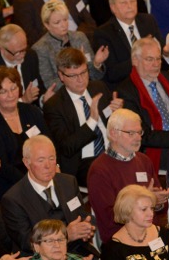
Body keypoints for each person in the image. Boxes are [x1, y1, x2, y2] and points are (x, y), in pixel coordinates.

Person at [1, 134, 94, 255]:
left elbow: (80, 214)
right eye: (41, 160)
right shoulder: (13, 199)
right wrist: (65, 236)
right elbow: (27, 242)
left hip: (77, 249)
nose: (48, 166)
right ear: (26, 163)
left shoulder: (69, 182)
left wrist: (86, 229)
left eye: (51, 158)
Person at [87, 108, 169, 243]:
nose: (138, 137)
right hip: (122, 240)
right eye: (131, 133)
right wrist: (143, 201)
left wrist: (158, 202)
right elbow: (109, 218)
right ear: (113, 134)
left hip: (151, 235)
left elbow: (162, 209)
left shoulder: (144, 161)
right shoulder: (100, 169)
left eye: (139, 132)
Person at [41, 48, 118, 185]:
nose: (81, 79)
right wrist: (92, 120)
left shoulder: (99, 87)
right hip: (83, 162)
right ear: (61, 76)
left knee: (138, 162)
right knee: (113, 174)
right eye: (73, 75)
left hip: (113, 151)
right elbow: (67, 147)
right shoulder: (54, 106)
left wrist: (118, 113)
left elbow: (113, 122)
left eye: (83, 72)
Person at [0, 66, 48, 200]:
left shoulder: (32, 112)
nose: (10, 95)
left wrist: (53, 168)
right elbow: (4, 168)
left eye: (13, 88)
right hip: (12, 185)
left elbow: (49, 142)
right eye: (3, 91)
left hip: (42, 173)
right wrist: (33, 181)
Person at [116, 37, 169, 168]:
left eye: (158, 58)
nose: (156, 64)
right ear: (135, 60)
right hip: (161, 147)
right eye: (149, 59)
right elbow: (143, 134)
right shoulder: (127, 91)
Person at [93, 0, 169, 86]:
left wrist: (166, 54)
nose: (130, 6)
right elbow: (112, 73)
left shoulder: (148, 21)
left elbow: (165, 66)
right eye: (124, 3)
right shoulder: (104, 33)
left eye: (132, 1)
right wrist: (138, 58)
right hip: (128, 87)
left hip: (155, 81)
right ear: (113, 7)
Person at [32, 0, 107, 92]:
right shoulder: (41, 48)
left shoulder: (79, 37)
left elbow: (96, 76)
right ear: (47, 25)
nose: (64, 25)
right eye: (57, 22)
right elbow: (50, 84)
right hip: (65, 96)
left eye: (65, 19)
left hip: (89, 88)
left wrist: (96, 63)